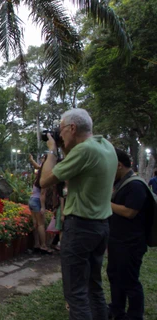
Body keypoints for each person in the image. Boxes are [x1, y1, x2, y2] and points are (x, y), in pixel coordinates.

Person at [40, 108, 117, 320]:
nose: (59, 133)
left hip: (81, 227)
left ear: (72, 128)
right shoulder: (106, 146)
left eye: (61, 129)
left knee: (75, 292)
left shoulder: (84, 151)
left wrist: (51, 150)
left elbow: (44, 180)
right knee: (94, 286)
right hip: (101, 227)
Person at [107, 149, 150, 320]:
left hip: (131, 243)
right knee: (115, 276)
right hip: (118, 241)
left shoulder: (135, 185)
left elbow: (130, 212)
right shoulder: (122, 183)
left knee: (130, 280)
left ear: (118, 165)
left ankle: (134, 315)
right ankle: (116, 309)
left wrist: (106, 202)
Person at [28, 155, 53, 254]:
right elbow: (43, 194)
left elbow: (37, 166)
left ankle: (36, 244)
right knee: (41, 224)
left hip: (31, 200)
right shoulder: (44, 176)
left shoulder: (39, 172)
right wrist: (43, 207)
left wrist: (31, 160)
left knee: (35, 223)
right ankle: (43, 246)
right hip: (37, 201)